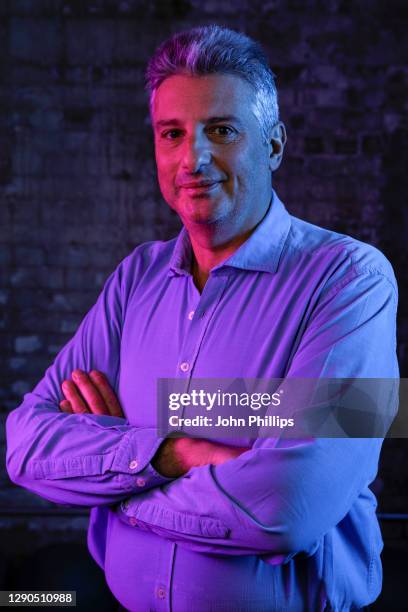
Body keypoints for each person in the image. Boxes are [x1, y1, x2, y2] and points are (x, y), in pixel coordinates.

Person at [6, 25, 398, 611]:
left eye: (221, 130)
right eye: (172, 133)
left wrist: (116, 485)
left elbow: (288, 507)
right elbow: (24, 445)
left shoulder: (351, 280)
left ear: (273, 145)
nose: (193, 157)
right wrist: (173, 453)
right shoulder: (136, 278)